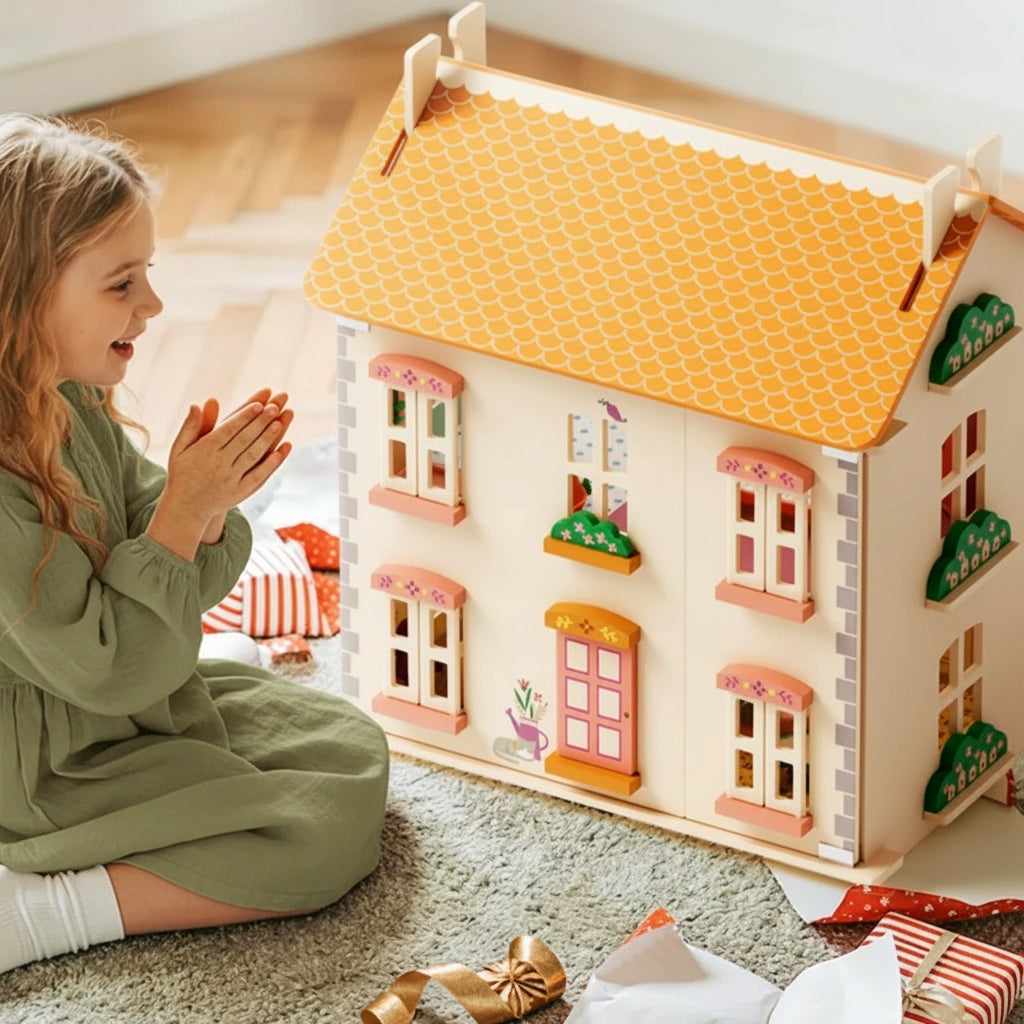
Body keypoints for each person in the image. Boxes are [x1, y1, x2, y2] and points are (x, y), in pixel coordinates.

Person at [0, 113, 389, 973]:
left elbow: (158, 538)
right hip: (39, 770)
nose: (153, 305)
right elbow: (110, 667)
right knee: (313, 845)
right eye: (121, 283)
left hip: (124, 708)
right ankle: (38, 910)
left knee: (345, 750)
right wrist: (181, 517)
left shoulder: (66, 397)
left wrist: (205, 497)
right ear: (22, 296)